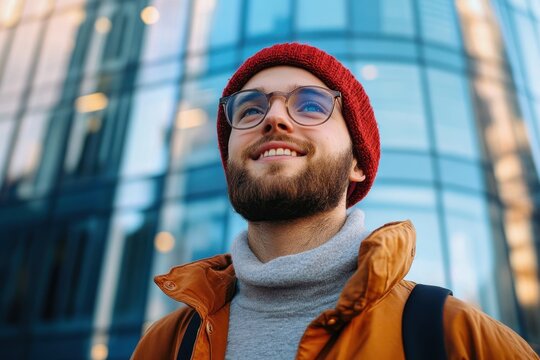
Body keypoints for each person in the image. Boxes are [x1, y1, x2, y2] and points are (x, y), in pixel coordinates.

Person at [132, 43, 538, 359]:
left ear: (357, 163)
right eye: (251, 108)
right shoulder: (166, 345)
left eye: (310, 105)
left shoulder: (456, 336)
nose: (274, 118)